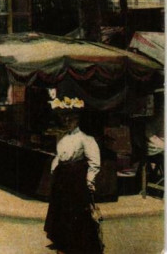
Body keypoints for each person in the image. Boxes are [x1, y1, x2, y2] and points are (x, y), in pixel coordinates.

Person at [44, 102, 103, 253]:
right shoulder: (64, 137)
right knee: (61, 210)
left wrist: (90, 181)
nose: (67, 122)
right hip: (62, 177)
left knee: (75, 212)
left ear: (77, 120)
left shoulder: (85, 139)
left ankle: (75, 245)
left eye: (71, 120)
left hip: (76, 178)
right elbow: (59, 155)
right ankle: (62, 241)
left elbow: (94, 162)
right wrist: (54, 168)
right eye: (66, 119)